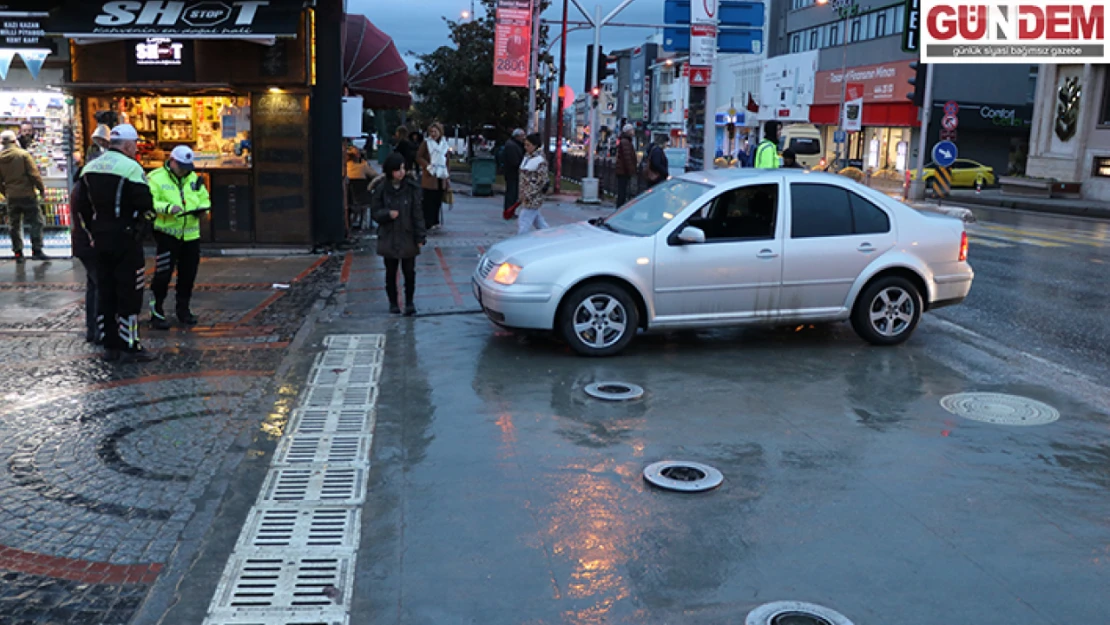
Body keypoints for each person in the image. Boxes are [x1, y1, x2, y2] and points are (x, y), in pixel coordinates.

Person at [72, 124, 157, 362]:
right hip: (125, 238)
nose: (136, 149)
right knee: (130, 292)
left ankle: (109, 344)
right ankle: (130, 344)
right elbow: (145, 204)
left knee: (105, 290)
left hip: (99, 237)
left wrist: (93, 228)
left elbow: (82, 205)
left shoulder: (90, 166)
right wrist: (141, 229)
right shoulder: (131, 168)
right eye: (136, 145)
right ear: (128, 144)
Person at [148, 145, 210, 330]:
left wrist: (202, 209)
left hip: (191, 235)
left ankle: (183, 310)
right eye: (181, 166)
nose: (184, 171)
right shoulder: (156, 178)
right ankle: (157, 311)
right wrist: (168, 208)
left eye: (187, 167)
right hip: (167, 234)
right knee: (163, 275)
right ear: (172, 161)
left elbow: (204, 198)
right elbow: (150, 201)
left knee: (188, 275)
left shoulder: (192, 177)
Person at [371, 153, 425, 316]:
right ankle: (393, 302)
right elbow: (375, 212)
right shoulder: (381, 189)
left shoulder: (411, 188)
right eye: (397, 169)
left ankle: (409, 302)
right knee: (390, 272)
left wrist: (420, 236)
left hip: (407, 235)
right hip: (389, 236)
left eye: (403, 168)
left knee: (409, 272)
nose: (401, 172)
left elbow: (417, 214)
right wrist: (387, 214)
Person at [0, 130, 47, 262]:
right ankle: (36, 250)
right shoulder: (23, 155)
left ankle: (18, 252)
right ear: (15, 141)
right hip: (27, 194)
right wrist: (41, 189)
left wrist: (6, 192)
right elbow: (34, 174)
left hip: (11, 196)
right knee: (35, 222)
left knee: (14, 225)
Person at [70, 192, 98, 344]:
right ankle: (97, 329)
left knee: (93, 285)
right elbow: (86, 219)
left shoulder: (80, 188)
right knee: (99, 285)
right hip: (89, 244)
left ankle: (93, 329)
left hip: (83, 244)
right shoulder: (86, 190)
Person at [416, 122, 451, 230]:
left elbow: (447, 160)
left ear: (440, 132)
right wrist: (427, 166)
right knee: (428, 199)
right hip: (430, 174)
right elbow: (418, 157)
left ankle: (435, 220)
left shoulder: (444, 144)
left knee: (438, 199)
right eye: (431, 132)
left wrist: (448, 175)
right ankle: (428, 221)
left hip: (441, 175)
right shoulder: (426, 143)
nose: (433, 134)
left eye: (435, 132)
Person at [517, 132, 549, 235]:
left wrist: (529, 194)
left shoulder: (540, 160)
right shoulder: (527, 157)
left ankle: (520, 242)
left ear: (535, 146)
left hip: (532, 197)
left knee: (524, 221)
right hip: (526, 195)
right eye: (525, 145)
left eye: (528, 145)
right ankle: (549, 235)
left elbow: (542, 181)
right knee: (538, 222)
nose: (526, 147)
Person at [346, 145, 378, 230]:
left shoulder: (345, 167)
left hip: (347, 198)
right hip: (363, 197)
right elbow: (375, 175)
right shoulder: (363, 166)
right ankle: (365, 223)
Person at [502, 128, 525, 212]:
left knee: (513, 193)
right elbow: (514, 161)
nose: (523, 138)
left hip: (512, 173)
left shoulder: (515, 144)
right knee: (511, 193)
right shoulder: (512, 146)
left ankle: (510, 210)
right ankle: (509, 210)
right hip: (512, 173)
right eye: (522, 136)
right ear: (517, 136)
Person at [615, 124, 637, 207]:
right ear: (628, 132)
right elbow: (627, 158)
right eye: (632, 130)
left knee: (622, 191)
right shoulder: (626, 142)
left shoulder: (625, 141)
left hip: (622, 171)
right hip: (624, 171)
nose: (633, 132)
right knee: (622, 192)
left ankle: (620, 207)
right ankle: (620, 208)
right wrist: (632, 170)